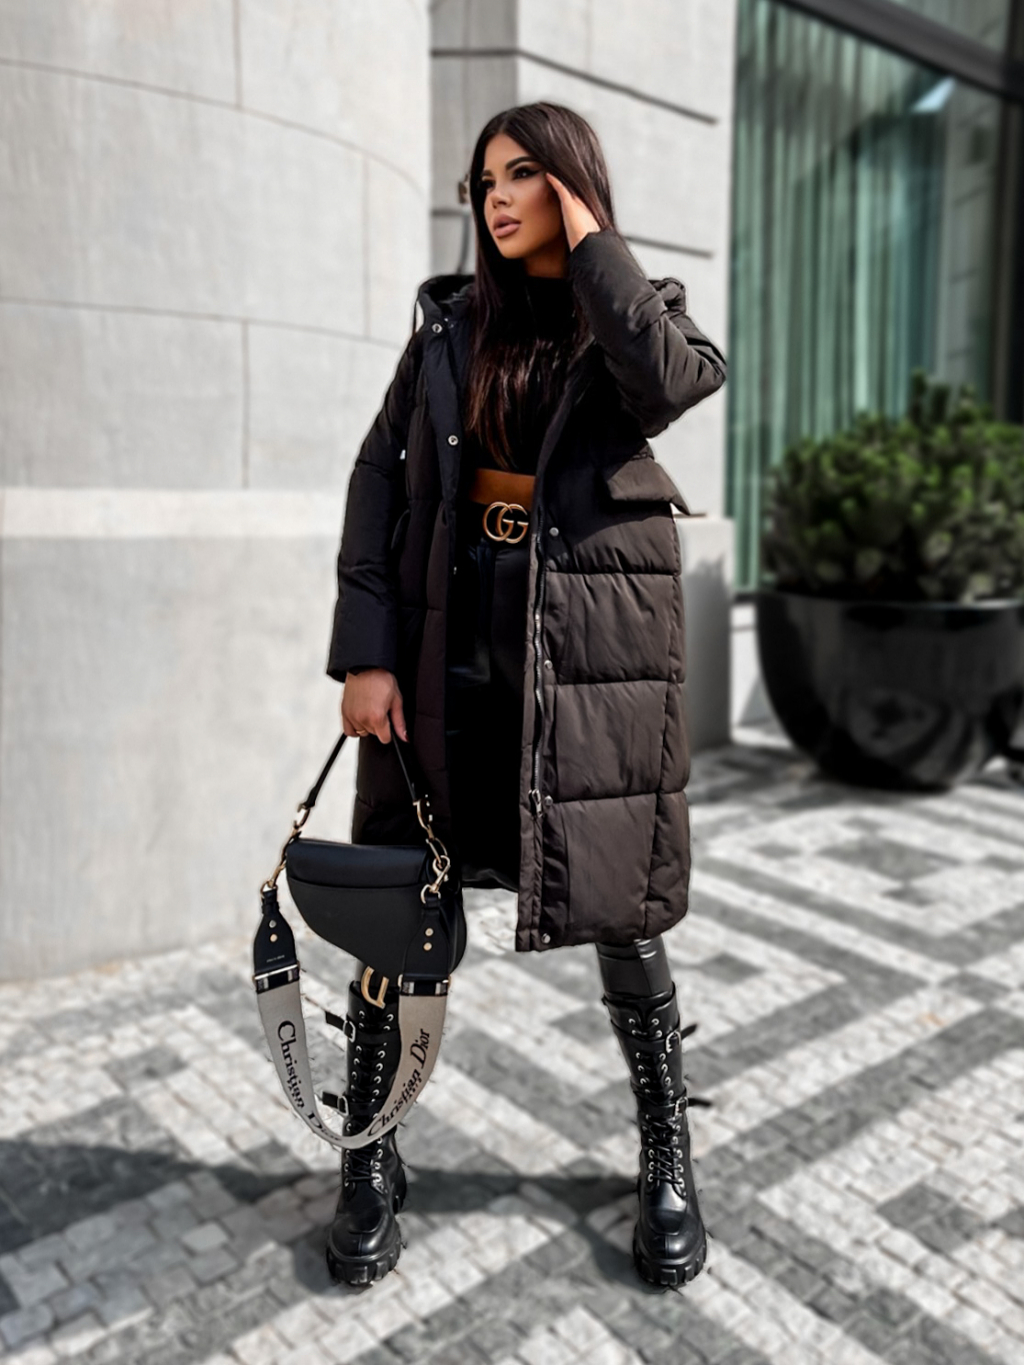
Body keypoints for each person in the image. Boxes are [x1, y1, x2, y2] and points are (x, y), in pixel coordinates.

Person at [323, 101, 727, 1290]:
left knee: (626, 913)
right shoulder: (447, 327)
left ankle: (665, 1157)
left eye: (522, 175)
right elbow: (376, 480)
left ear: (572, 186)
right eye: (483, 181)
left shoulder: (639, 317)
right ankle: (369, 1150)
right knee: (402, 904)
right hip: (446, 646)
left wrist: (594, 242)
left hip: (592, 657)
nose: (495, 199)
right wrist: (366, 655)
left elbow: (670, 380)